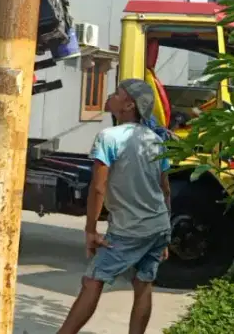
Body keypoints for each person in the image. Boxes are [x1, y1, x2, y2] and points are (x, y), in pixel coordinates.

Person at [58, 79, 172, 334]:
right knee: (143, 284)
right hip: (159, 225)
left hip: (130, 229)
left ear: (129, 105)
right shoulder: (156, 140)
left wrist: (91, 230)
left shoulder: (109, 137)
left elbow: (98, 188)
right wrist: (164, 236)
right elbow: (165, 189)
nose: (110, 96)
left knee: (92, 281)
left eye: (117, 93)